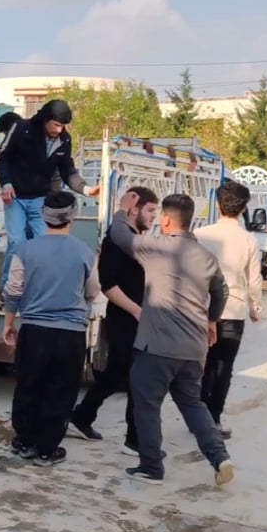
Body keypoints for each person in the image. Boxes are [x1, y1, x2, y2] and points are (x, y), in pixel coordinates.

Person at [108, 191, 234, 486]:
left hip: (156, 348)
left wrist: (122, 210)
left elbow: (120, 237)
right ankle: (220, 457)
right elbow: (221, 292)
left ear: (165, 220)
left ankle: (151, 466)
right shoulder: (206, 257)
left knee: (147, 405)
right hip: (193, 348)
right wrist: (211, 320)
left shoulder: (156, 247)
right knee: (193, 404)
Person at [2, 190, 100, 466]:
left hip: (34, 331)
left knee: (28, 386)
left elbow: (13, 291)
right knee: (61, 391)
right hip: (70, 334)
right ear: (74, 215)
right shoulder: (85, 252)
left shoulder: (25, 250)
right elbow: (93, 292)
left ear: (43, 217)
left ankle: (24, 441)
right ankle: (46, 450)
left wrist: (9, 323)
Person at [68, 186, 159, 449]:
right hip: (125, 318)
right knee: (137, 378)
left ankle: (82, 416)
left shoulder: (134, 237)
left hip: (137, 317)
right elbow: (109, 285)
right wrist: (136, 310)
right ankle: (135, 439)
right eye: (150, 210)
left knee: (116, 374)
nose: (153, 216)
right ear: (134, 208)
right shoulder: (118, 239)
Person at [0, 99, 101, 290]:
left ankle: (36, 286)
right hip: (15, 196)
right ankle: (8, 288)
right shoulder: (21, 128)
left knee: (44, 243)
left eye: (63, 126)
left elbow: (67, 170)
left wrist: (86, 189)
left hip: (41, 198)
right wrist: (6, 183)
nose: (59, 130)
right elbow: (2, 159)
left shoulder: (64, 140)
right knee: (17, 242)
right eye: (56, 125)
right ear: (45, 119)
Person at [194, 181, 264, 438]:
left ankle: (197, 417)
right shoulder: (248, 239)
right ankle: (213, 418)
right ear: (244, 207)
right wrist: (256, 306)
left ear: (217, 204)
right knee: (223, 366)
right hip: (232, 311)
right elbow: (254, 279)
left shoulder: (200, 235)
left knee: (203, 365)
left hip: (200, 309)